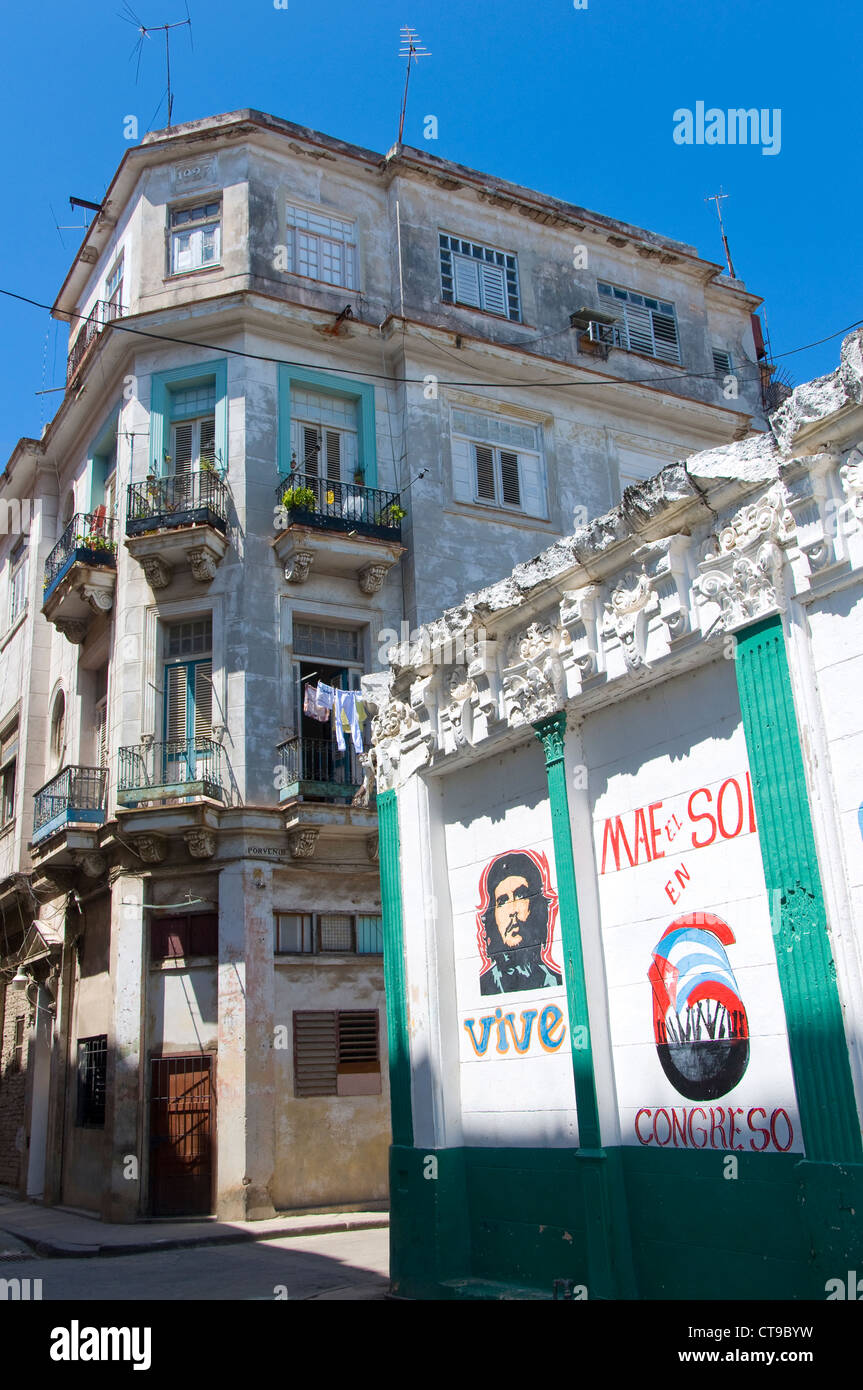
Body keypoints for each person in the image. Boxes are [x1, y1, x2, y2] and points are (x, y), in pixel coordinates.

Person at [478, 851, 562, 995]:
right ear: (493, 917)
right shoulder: (486, 986)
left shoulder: (553, 980)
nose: (513, 910)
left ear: (537, 907)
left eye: (521, 895)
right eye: (502, 901)